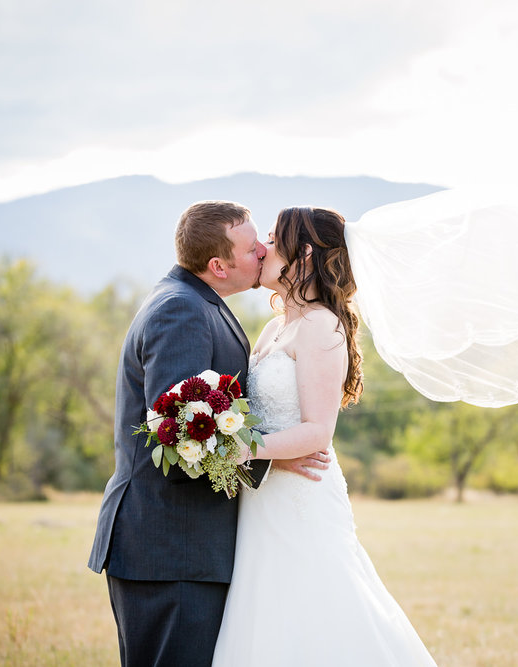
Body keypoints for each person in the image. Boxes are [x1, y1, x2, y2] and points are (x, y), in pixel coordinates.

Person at [87, 201, 332, 667]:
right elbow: (181, 436)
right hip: (171, 547)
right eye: (252, 245)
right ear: (218, 266)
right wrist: (271, 457)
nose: (264, 250)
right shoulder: (181, 311)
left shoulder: (198, 303)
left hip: (187, 548)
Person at [211, 206, 438, 665]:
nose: (262, 249)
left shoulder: (321, 325)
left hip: (303, 498)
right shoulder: (275, 328)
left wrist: (242, 450)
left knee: (317, 615)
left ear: (306, 254)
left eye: (273, 240)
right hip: (264, 500)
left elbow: (317, 431)